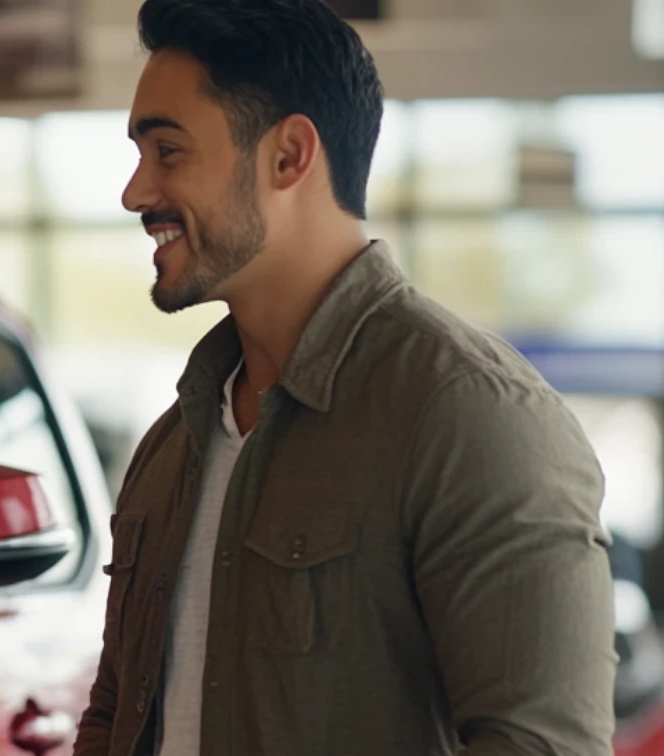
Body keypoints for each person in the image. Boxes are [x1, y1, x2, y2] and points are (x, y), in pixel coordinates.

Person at [73, 1, 616, 755]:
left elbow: (542, 746)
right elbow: (113, 718)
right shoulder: (173, 445)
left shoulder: (467, 417)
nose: (136, 192)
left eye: (168, 151)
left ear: (290, 155)